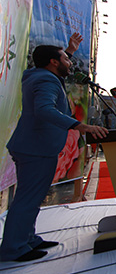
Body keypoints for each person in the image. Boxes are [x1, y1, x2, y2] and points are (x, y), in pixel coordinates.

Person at [1, 37, 108, 262]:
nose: (70, 63)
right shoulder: (46, 80)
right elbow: (44, 109)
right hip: (36, 148)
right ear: (53, 62)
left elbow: (54, 65)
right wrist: (80, 125)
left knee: (32, 197)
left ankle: (27, 238)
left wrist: (68, 50)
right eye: (65, 59)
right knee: (27, 199)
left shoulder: (39, 74)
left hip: (34, 146)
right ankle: (14, 248)